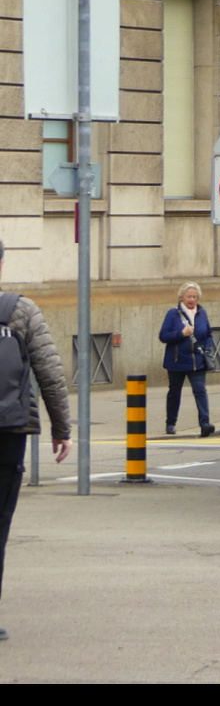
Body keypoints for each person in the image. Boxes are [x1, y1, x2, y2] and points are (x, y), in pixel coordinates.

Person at [0, 239, 73, 643]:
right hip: (8, 430)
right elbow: (50, 372)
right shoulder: (21, 310)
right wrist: (61, 428)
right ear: (1, 264)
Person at [159, 282, 215, 437]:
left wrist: (207, 349)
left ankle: (205, 424)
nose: (192, 299)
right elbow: (163, 336)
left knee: (200, 391)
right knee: (174, 392)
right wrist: (181, 333)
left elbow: (208, 334)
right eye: (189, 296)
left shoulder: (201, 313)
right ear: (181, 297)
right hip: (177, 361)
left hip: (197, 361)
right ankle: (170, 423)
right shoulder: (173, 314)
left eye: (195, 297)